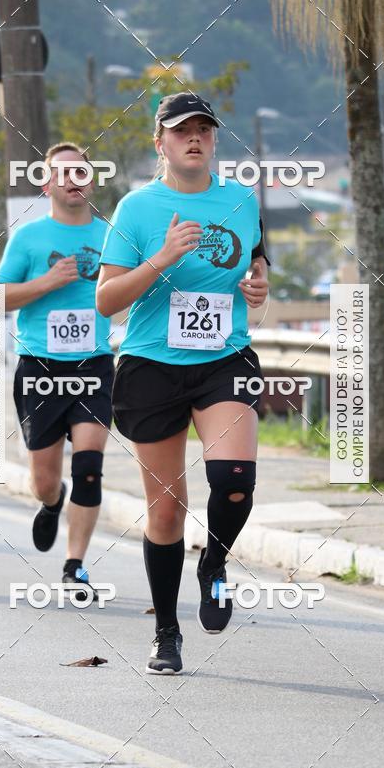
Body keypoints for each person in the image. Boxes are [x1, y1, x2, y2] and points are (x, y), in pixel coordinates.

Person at [97, 93, 269, 674]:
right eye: (180, 130)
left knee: (235, 480)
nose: (193, 137)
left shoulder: (240, 200)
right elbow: (106, 301)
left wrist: (258, 286)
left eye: (203, 129)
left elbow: (255, 259)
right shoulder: (137, 208)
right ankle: (166, 632)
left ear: (214, 139)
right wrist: (162, 259)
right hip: (151, 365)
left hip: (225, 358)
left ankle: (214, 565)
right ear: (160, 142)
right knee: (167, 512)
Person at [0, 142, 114, 595]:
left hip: (94, 364)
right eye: (63, 174)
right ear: (47, 184)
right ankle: (51, 504)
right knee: (44, 480)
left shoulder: (111, 236)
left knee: (88, 466)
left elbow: (142, 285)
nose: (73, 180)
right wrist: (46, 283)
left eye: (81, 173)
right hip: (40, 367)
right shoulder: (28, 238)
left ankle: (75, 564)